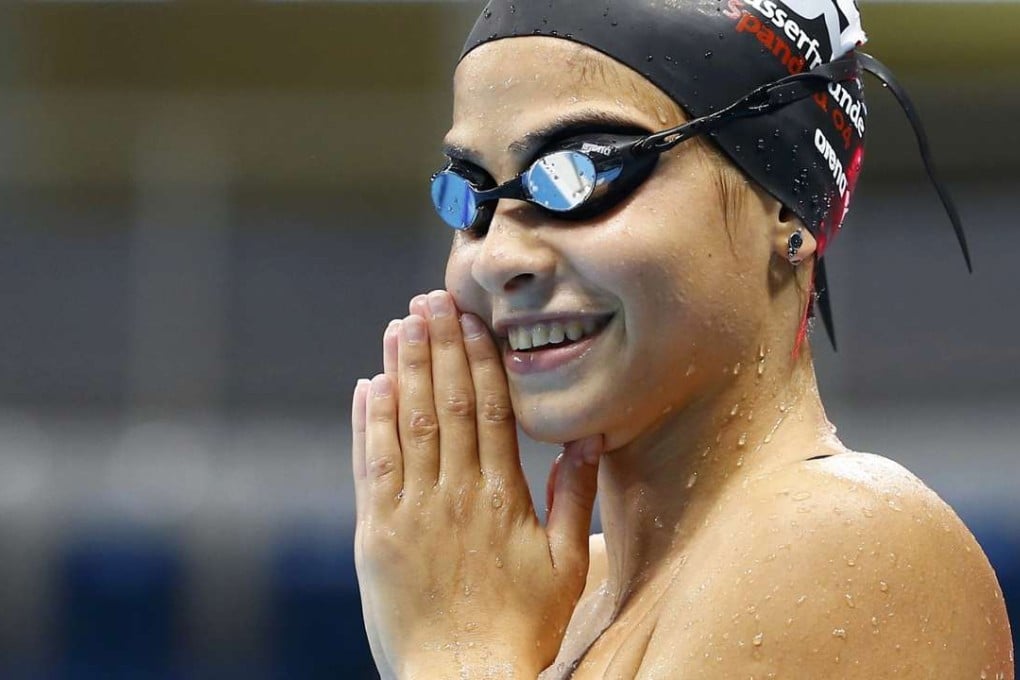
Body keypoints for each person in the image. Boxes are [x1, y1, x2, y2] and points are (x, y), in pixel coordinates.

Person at [351, 0, 1014, 677]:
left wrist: (459, 658)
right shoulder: (547, 602)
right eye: (473, 198)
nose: (496, 258)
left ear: (784, 205)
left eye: (580, 173)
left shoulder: (850, 543)